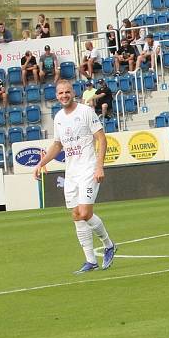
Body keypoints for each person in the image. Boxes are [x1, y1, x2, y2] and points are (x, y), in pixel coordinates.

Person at [32, 80, 117, 273]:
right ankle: (90, 261)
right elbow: (57, 145)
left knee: (85, 213)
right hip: (71, 173)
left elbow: (102, 139)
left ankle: (109, 244)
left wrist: (99, 166)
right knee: (77, 216)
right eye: (61, 93)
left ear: (73, 93)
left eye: (67, 92)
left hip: (88, 169)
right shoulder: (59, 117)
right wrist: (40, 164)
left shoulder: (85, 112)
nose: (64, 95)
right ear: (57, 95)